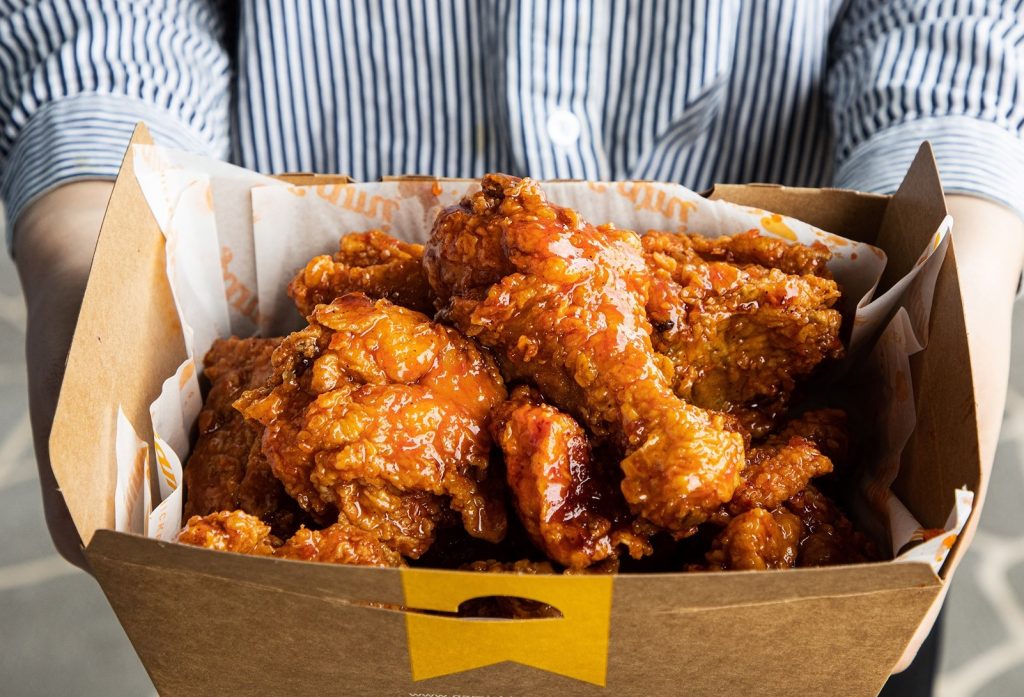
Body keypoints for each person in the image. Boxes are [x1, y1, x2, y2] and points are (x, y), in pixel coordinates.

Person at [3, 2, 1022, 694]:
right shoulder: (411, 362)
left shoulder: (698, 410)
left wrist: (955, 237)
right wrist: (90, 220)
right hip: (313, 582)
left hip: (778, 616)